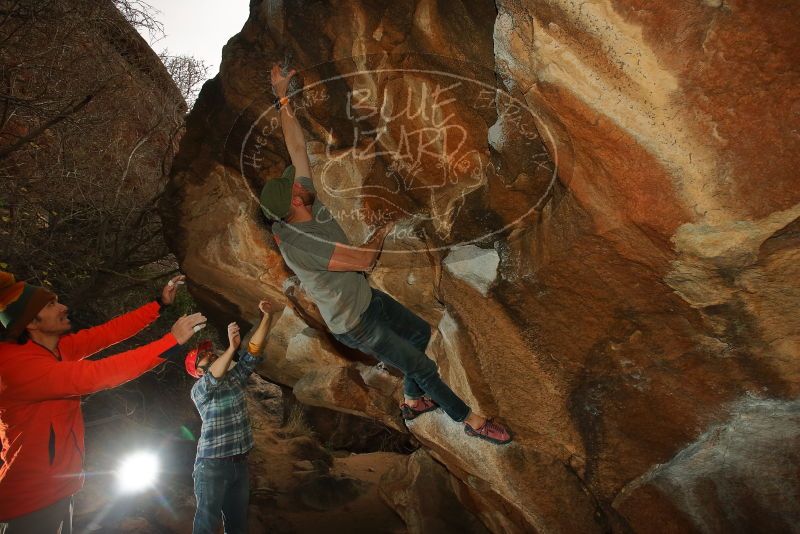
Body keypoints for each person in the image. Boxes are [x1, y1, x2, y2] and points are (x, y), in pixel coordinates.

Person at [260, 65, 511, 445]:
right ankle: (472, 422)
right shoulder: (300, 242)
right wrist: (381, 229)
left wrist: (282, 98)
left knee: (419, 333)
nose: (300, 178)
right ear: (295, 200)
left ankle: (412, 401)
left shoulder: (301, 202)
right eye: (294, 185)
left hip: (365, 299)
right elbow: (364, 261)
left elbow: (297, 149)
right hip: (355, 323)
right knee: (422, 366)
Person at [0, 271, 206, 533]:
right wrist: (171, 342)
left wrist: (159, 305)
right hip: (30, 497)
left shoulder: (53, 347)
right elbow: (100, 374)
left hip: (58, 487)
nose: (63, 307)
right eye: (51, 305)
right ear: (31, 322)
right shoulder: (19, 367)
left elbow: (108, 333)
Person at [187, 300, 275, 534]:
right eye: (203, 355)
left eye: (209, 350)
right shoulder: (199, 390)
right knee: (206, 525)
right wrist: (231, 349)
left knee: (237, 526)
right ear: (197, 371)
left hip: (240, 464)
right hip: (212, 465)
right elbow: (214, 377)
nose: (209, 353)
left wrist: (267, 316)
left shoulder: (234, 377)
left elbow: (254, 351)